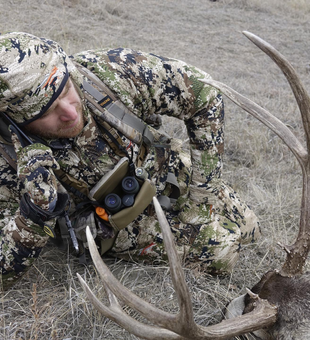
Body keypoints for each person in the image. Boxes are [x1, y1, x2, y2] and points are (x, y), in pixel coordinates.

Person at [0, 32, 260, 291]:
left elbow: (206, 93)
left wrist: (204, 198)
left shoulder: (107, 72)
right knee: (223, 250)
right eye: (46, 111)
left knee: (251, 228)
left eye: (66, 89)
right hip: (118, 228)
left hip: (174, 175)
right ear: (13, 121)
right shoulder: (7, 161)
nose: (70, 112)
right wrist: (34, 213)